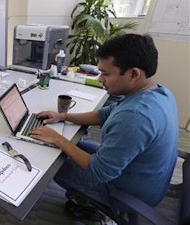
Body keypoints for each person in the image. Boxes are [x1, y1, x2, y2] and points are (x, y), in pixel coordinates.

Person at [30, 34, 178, 212]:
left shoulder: (136, 116)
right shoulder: (158, 92)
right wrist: (63, 117)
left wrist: (57, 138)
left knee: (55, 166)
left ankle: (91, 206)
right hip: (147, 178)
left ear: (133, 74)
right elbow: (104, 114)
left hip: (129, 195)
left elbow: (98, 172)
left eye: (106, 73)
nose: (100, 79)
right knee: (79, 144)